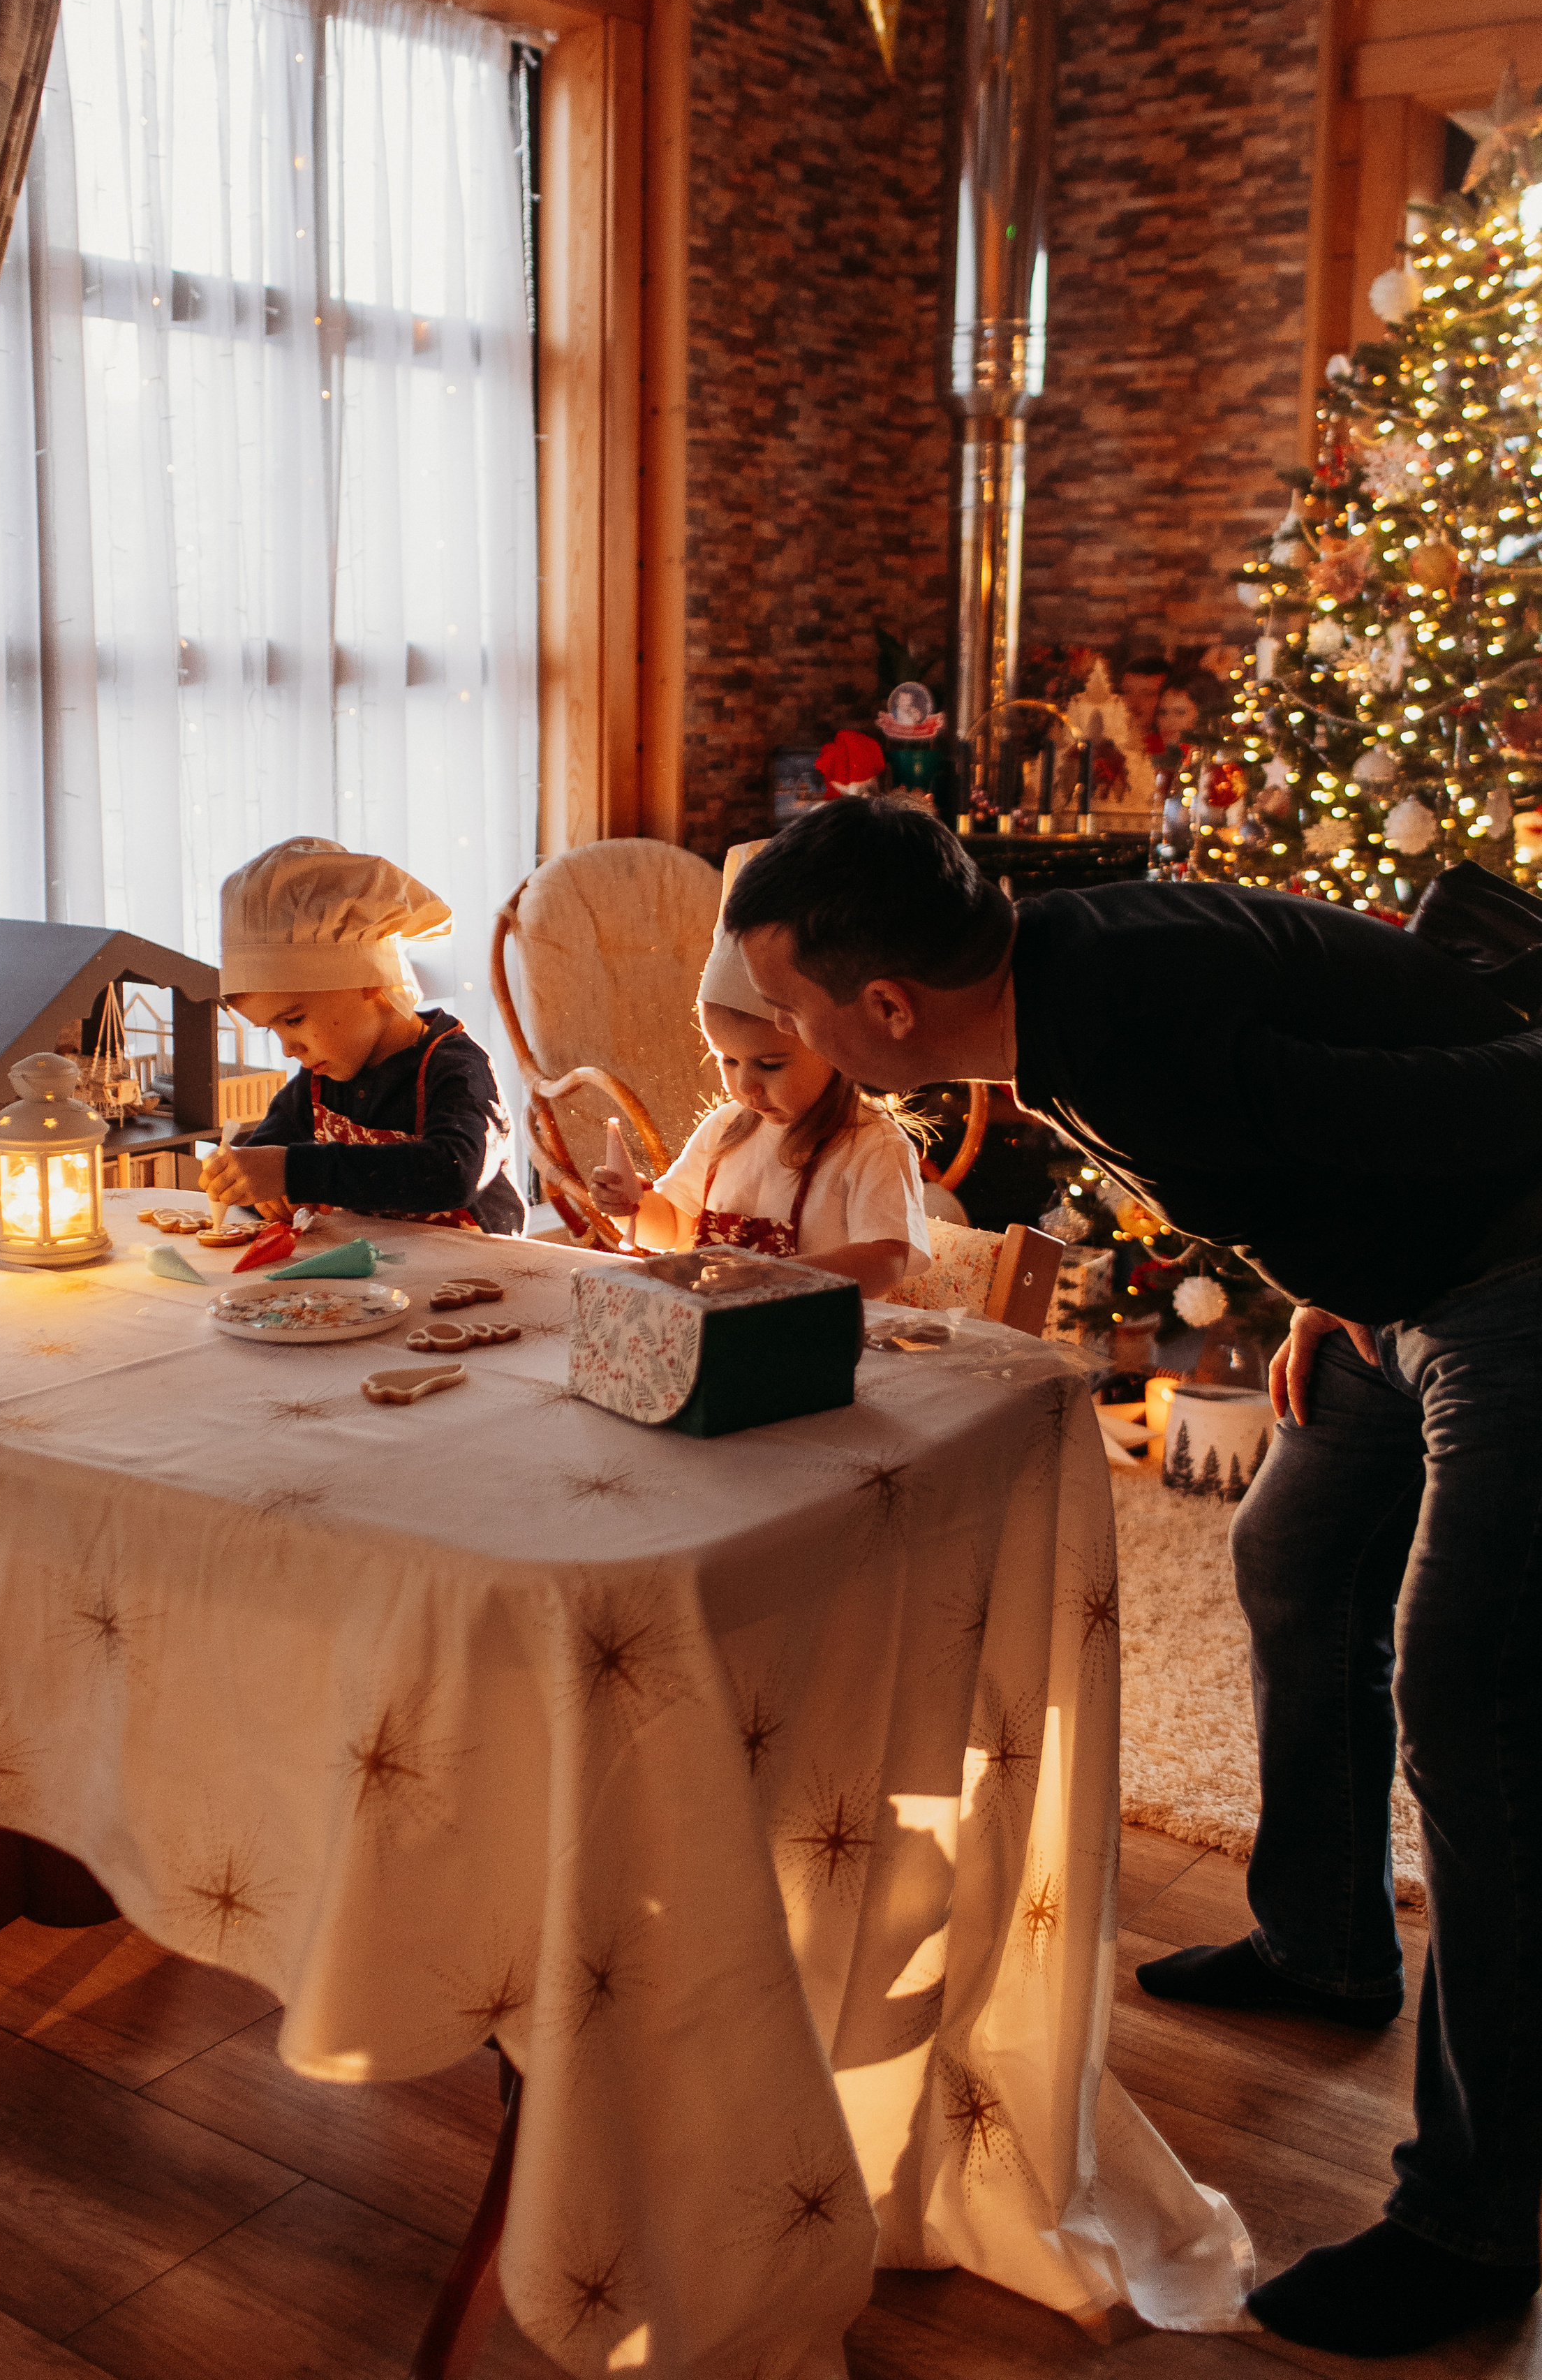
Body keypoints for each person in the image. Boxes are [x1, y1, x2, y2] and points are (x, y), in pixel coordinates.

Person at [722, 792, 1542, 2359]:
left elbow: (1483, 1100)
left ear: (882, 1010)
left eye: (787, 1005)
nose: (778, 1029)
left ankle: (1472, 2220)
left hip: (1510, 1281)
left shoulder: (1125, 1030)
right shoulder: (1067, 970)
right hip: (1398, 1288)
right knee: (1288, 1547)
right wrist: (1325, 1288)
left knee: (1480, 1730)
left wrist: (1364, 1268)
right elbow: (1329, 1102)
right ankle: (1322, 1941)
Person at [591, 898, 928, 1301]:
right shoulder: (725, 1129)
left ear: (836, 1048)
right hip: (725, 1332)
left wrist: (770, 1277)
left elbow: (884, 1263)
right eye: (728, 1061)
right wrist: (634, 1206)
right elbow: (677, 1226)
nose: (745, 1085)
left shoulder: (872, 1147)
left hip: (822, 1341)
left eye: (770, 1064)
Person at [199, 837, 524, 1234]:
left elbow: (452, 1174)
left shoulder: (455, 1067)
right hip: (379, 1277)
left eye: (295, 1019)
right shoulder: (318, 1083)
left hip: (482, 1278)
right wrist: (252, 1184)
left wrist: (292, 1171)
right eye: (272, 1030)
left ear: (369, 980)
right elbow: (264, 1160)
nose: (288, 1049)